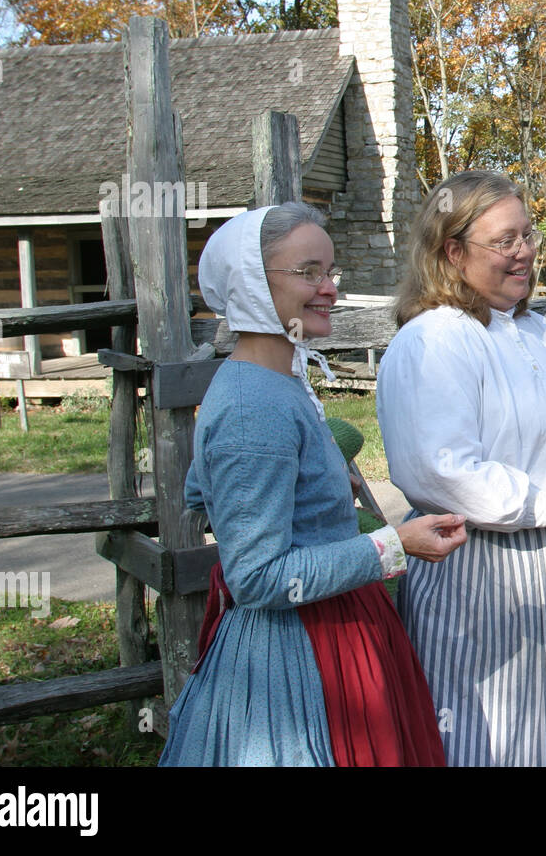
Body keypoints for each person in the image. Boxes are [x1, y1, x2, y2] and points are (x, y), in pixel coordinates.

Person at [159, 202, 467, 767]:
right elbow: (255, 577)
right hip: (295, 657)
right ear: (253, 282)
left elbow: (205, 492)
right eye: (308, 272)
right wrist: (395, 545)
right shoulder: (253, 402)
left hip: (337, 626)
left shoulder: (276, 380)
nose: (329, 289)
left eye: (331, 272)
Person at [376, 171, 546, 766]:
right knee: (498, 734)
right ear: (452, 251)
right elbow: (437, 469)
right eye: (504, 240)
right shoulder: (433, 341)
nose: (523, 252)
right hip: (488, 575)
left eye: (527, 235)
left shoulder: (534, 329)